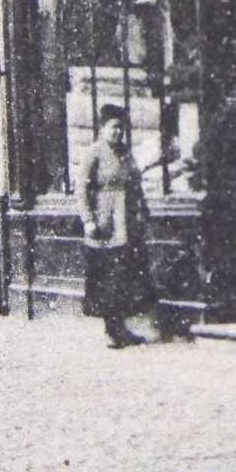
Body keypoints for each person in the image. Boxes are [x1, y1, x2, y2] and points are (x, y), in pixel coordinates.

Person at [77, 104, 155, 349]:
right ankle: (112, 330)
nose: (118, 132)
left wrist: (144, 213)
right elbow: (81, 189)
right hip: (105, 223)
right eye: (113, 127)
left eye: (121, 128)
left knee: (125, 275)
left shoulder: (125, 153)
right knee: (109, 277)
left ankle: (122, 328)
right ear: (102, 129)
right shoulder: (94, 153)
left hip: (128, 221)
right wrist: (88, 220)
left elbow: (136, 186)